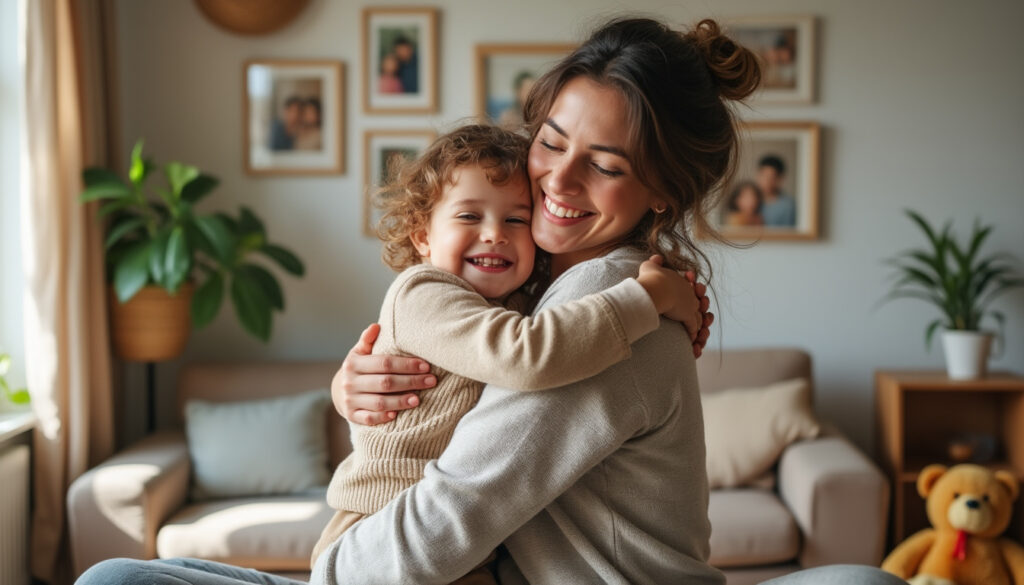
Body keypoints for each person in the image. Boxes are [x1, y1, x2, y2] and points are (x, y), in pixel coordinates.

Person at [76, 17, 906, 585]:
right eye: (550, 142)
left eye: (606, 165)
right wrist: (353, 387)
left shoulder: (599, 306)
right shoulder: (554, 284)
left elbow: (452, 513)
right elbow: (456, 375)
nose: (557, 181)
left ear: (661, 192)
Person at [309, 123, 702, 584]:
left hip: (460, 550)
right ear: (422, 237)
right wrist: (647, 300)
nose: (494, 234)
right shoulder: (422, 292)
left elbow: (558, 337)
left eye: (515, 220)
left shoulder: (516, 303)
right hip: (379, 525)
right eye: (469, 217)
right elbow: (527, 354)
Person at [756, 154, 797, 227]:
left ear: (780, 178)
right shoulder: (751, 201)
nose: (766, 181)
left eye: (771, 177)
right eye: (763, 176)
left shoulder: (788, 206)